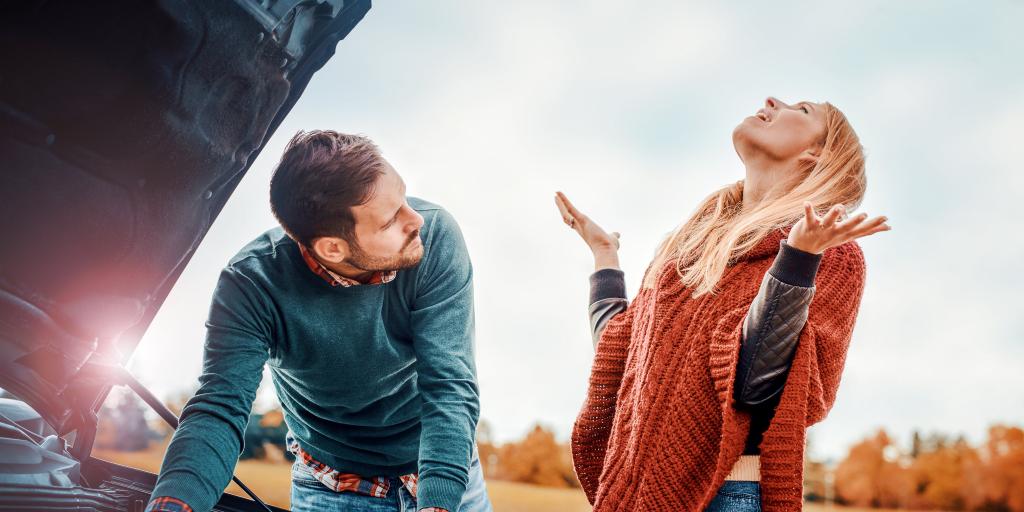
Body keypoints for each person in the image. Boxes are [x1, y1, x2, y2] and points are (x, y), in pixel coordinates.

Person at [556, 97, 890, 511]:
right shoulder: (691, 247)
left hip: (726, 496)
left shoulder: (831, 254)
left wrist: (798, 259)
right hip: (637, 489)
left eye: (802, 110)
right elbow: (623, 361)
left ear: (815, 152)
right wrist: (605, 259)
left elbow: (751, 386)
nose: (772, 101)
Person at [146, 131, 492, 512]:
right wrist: (173, 503)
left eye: (404, 199)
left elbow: (449, 386)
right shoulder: (251, 284)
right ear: (332, 247)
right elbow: (221, 407)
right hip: (333, 488)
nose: (416, 220)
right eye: (391, 219)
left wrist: (439, 501)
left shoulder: (435, 238)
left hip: (443, 472)